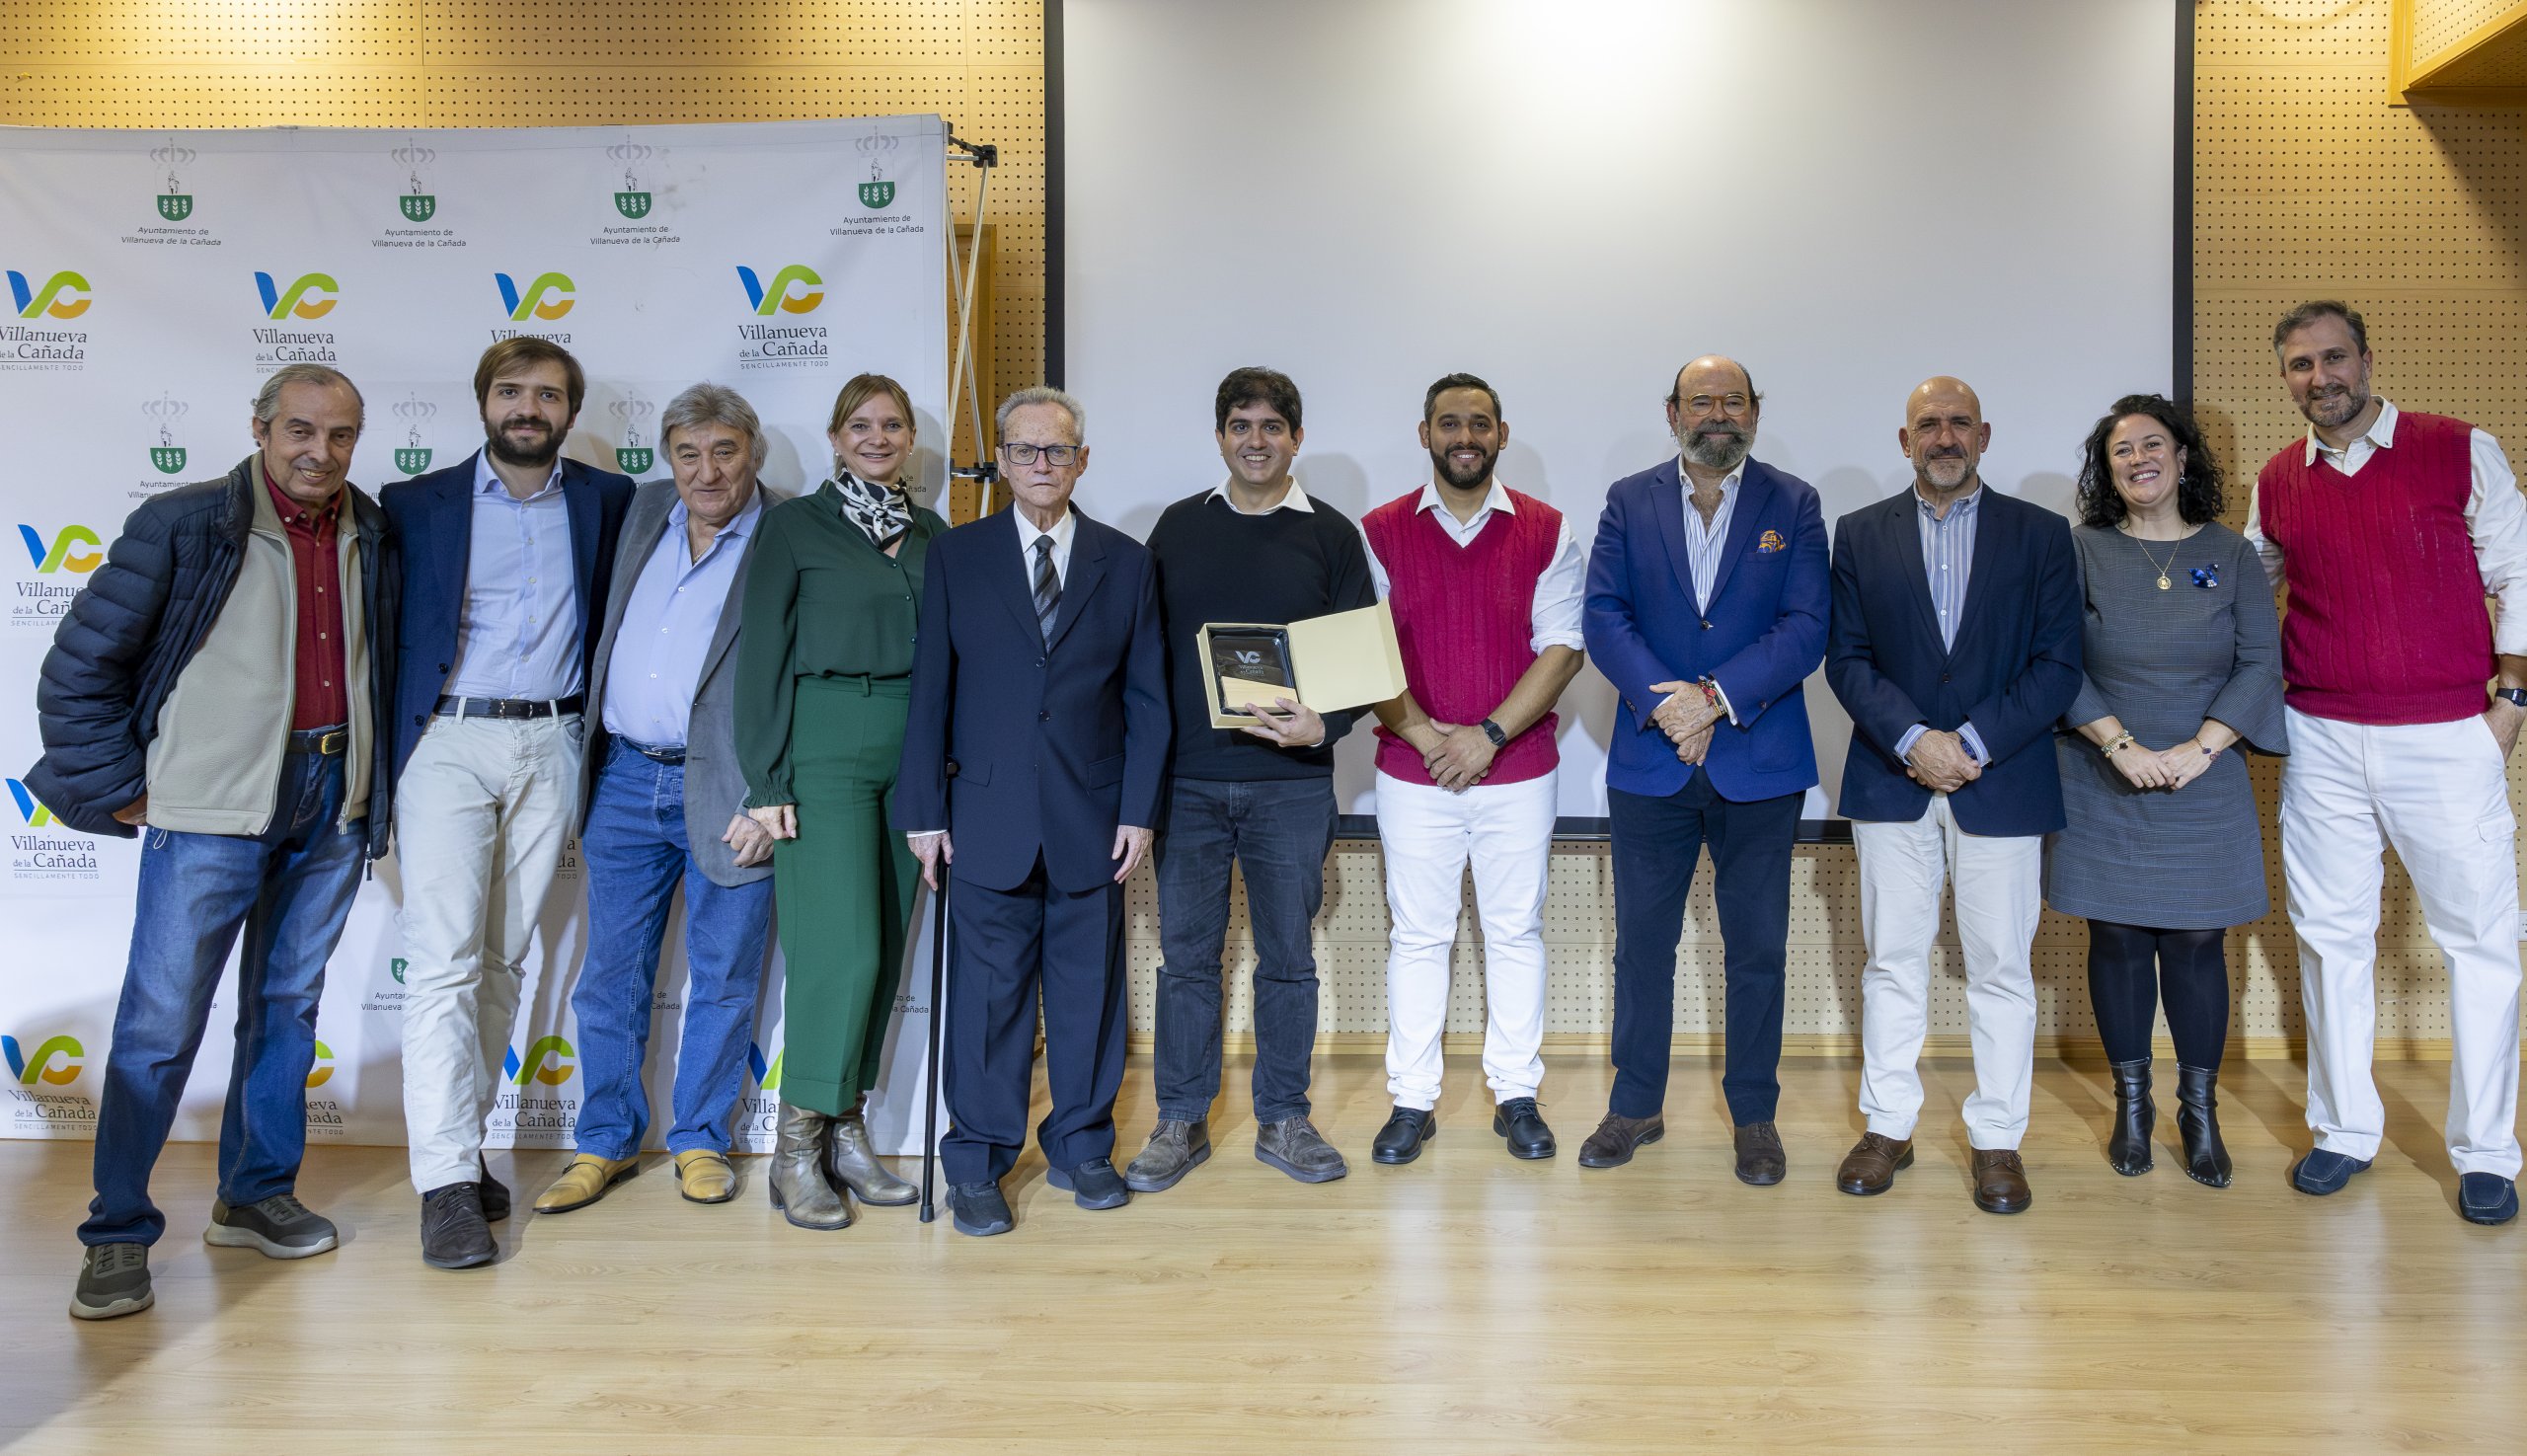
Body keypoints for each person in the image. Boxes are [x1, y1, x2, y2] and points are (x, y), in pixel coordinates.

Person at [31, 364, 398, 1320]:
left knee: (285, 1008)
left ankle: (254, 1194)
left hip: (331, 797)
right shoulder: (185, 522)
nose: (320, 451)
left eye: (341, 434)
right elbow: (77, 670)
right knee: (158, 1026)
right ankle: (117, 1231)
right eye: (301, 430)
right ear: (261, 428)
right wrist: (124, 786)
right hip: (210, 809)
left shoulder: (372, 528)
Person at [2249, 301, 2527, 1225]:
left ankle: (2487, 1153)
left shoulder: (2459, 447)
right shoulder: (2277, 480)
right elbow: (2246, 596)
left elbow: (2519, 572)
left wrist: (2511, 706)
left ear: (2366, 360)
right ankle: (2342, 1130)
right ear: (2285, 377)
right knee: (2332, 937)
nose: (2320, 377)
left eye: (2333, 358)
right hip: (2321, 735)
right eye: (2301, 365)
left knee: (2480, 941)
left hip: (2447, 733)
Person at [895, 385, 1169, 1237]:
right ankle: (977, 1159)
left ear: (1083, 459)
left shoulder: (1127, 562)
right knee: (987, 999)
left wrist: (1139, 810)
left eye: (1057, 449)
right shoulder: (958, 555)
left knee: (1089, 997)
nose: (1041, 463)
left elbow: (1148, 700)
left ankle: (1082, 1146)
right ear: (1003, 461)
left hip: (1094, 819)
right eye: (1024, 449)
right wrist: (924, 812)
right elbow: (931, 690)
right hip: (985, 817)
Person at [385, 339, 634, 1269]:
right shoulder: (415, 504)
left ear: (571, 410)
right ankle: (445, 1182)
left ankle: (467, 1148)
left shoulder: (609, 501)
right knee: (443, 965)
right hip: (447, 738)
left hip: (555, 739)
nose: (528, 407)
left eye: (548, 394)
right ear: (483, 402)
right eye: (510, 391)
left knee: (501, 962)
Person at [1824, 375, 2081, 1215]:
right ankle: (1887, 1125)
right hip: (1891, 776)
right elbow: (1846, 659)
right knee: (1891, 960)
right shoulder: (1860, 532)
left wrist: (1967, 743)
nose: (1944, 436)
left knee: (2001, 967)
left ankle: (1997, 1137)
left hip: (2000, 779)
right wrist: (1914, 739)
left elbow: (2058, 665)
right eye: (1928, 424)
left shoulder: (2041, 534)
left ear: (1984, 435)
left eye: (1959, 423)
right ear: (1905, 441)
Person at [1125, 367, 1377, 1193]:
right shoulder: (1178, 528)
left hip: (1292, 785)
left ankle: (1284, 1117)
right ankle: (1179, 1118)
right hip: (1189, 782)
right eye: (1241, 425)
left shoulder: (1332, 535)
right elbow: (1144, 654)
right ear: (1220, 436)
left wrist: (1323, 725)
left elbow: (1361, 665)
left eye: (1272, 426)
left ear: (1297, 438)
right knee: (1186, 962)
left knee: (1288, 960)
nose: (1256, 440)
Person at [1577, 356, 1828, 1183]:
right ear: (1672, 412)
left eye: (1731, 401)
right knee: (1642, 947)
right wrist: (1670, 708)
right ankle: (1635, 1104)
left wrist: (1712, 700)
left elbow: (1806, 626)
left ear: (1755, 410)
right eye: (1699, 401)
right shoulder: (1628, 499)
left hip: (1760, 762)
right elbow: (1604, 615)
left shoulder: (1794, 502)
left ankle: (1754, 1114)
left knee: (1757, 950)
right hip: (1652, 760)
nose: (1716, 414)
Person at [535, 384, 782, 1218]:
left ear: (754, 455)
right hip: (624, 778)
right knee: (609, 975)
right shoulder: (640, 511)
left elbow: (805, 674)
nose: (706, 471)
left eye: (724, 451)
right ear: (667, 459)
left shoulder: (787, 532)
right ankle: (603, 1140)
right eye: (688, 453)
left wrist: (771, 793)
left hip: (732, 788)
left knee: (723, 973)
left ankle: (701, 1138)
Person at [2046, 394, 2283, 1188]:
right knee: (2115, 937)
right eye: (2122, 450)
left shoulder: (2231, 552)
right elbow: (2056, 660)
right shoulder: (2080, 549)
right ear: (2106, 469)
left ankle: (2199, 1111)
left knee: (2195, 942)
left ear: (2182, 458)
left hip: (2203, 776)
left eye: (2153, 444)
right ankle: (2133, 1105)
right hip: (2102, 771)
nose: (2139, 459)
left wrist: (2200, 747)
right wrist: (2119, 744)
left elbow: (2260, 662)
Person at [735, 373, 945, 1229]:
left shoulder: (933, 533)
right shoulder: (794, 527)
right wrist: (766, 780)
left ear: (909, 439)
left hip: (913, 748)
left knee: (887, 950)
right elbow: (760, 654)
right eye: (861, 424)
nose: (878, 437)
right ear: (834, 437)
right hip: (824, 741)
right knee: (840, 952)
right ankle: (795, 1147)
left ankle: (846, 1130)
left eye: (892, 424)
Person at [1362, 373, 1586, 1166]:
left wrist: (1486, 736)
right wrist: (1429, 737)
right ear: (1425, 433)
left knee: (1514, 931)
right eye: (1450, 423)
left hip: (1516, 769)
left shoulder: (1548, 529)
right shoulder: (1378, 530)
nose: (1466, 436)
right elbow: (1365, 649)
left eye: (1480, 423)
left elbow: (1563, 648)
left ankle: (1516, 1094)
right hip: (1411, 769)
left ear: (1502, 434)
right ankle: (1412, 1099)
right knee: (1419, 936)